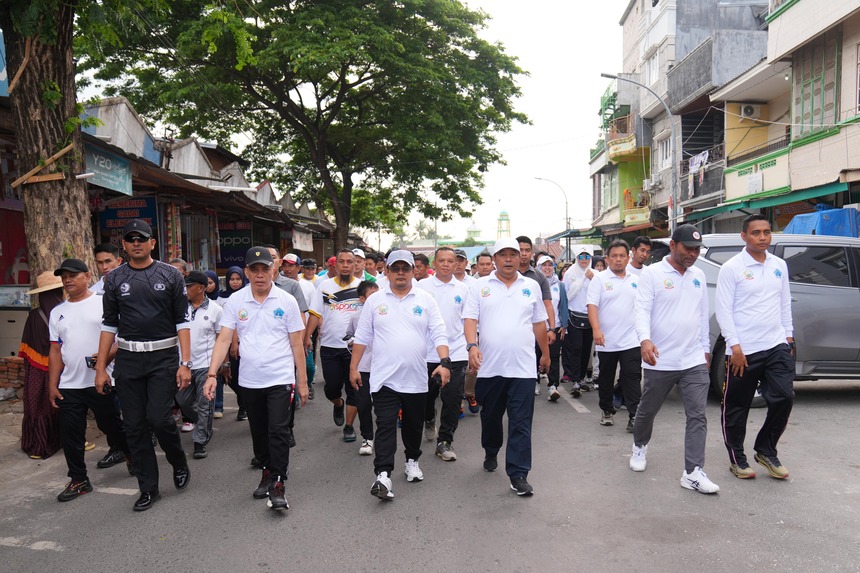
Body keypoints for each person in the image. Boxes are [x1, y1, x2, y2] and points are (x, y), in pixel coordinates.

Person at [95, 219, 192, 512]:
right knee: (135, 426)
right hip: (128, 359)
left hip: (163, 358)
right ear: (123, 245)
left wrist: (185, 363)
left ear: (152, 243)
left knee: (160, 419)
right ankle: (148, 488)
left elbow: (183, 322)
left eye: (142, 238)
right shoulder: (113, 279)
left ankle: (177, 460)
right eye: (130, 239)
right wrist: (101, 368)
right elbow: (109, 325)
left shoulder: (170, 275)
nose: (136, 243)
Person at [204, 246, 308, 511]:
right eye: (255, 270)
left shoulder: (286, 301)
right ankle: (266, 470)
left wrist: (303, 382)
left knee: (279, 430)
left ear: (273, 270)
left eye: (265, 269)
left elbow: (297, 344)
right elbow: (225, 338)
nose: (261, 275)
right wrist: (212, 373)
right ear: (247, 272)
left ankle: (278, 482)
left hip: (280, 379)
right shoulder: (236, 302)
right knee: (259, 432)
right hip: (250, 381)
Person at [350, 250, 450, 500]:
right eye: (396, 268)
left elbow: (439, 331)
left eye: (406, 268)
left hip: (416, 377)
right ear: (388, 271)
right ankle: (383, 475)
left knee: (412, 426)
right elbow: (362, 337)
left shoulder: (425, 299)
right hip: (384, 377)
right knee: (384, 424)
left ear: (413, 271)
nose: (401, 273)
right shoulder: (375, 301)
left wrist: (445, 361)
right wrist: (354, 367)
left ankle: (412, 460)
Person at [631, 225, 719, 494]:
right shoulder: (652, 274)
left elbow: (702, 314)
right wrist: (645, 340)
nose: (693, 254)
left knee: (697, 415)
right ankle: (640, 446)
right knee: (648, 410)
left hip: (692, 358)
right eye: (688, 249)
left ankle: (692, 472)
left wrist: (705, 348)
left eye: (697, 250)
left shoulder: (698, 275)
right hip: (661, 358)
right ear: (672, 245)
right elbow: (642, 310)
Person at [464, 238, 549, 497]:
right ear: (496, 259)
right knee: (491, 418)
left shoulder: (531, 286)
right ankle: (491, 450)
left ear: (523, 257)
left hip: (522, 368)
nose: (510, 259)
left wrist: (545, 354)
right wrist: (471, 346)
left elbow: (538, 324)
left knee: (521, 423)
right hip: (490, 368)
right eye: (504, 255)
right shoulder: (479, 286)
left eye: (514, 254)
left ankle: (518, 473)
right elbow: (470, 318)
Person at [716, 214, 794, 480]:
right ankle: (737, 458)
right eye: (756, 233)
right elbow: (723, 311)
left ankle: (766, 450)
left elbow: (784, 303)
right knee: (737, 406)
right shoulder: (732, 268)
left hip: (775, 344)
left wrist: (789, 337)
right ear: (744, 236)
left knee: (784, 397)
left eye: (767, 232)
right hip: (743, 350)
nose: (762, 237)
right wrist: (735, 347)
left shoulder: (779, 265)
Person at [48, 259, 133, 501]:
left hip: (100, 378)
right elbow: (55, 351)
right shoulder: (57, 312)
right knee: (71, 433)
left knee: (111, 426)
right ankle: (78, 479)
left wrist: (108, 357)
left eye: (73, 275)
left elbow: (122, 336)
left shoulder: (103, 302)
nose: (67, 280)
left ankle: (129, 453)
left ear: (87, 276)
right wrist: (52, 385)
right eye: (64, 276)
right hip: (69, 384)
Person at [416, 247, 469, 460]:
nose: (446, 264)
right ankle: (429, 418)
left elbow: (469, 322)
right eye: (442, 260)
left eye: (450, 261)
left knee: (453, 399)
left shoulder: (464, 289)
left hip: (456, 352)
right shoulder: (421, 287)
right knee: (426, 398)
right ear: (434, 263)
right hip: (426, 352)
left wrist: (473, 346)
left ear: (456, 263)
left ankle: (445, 441)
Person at [306, 249, 363, 442]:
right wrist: (307, 337)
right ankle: (338, 403)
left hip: (354, 347)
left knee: (354, 388)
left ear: (355, 265)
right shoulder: (324, 286)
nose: (346, 265)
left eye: (350, 262)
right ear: (335, 265)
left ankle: (349, 426)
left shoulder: (362, 287)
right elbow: (315, 313)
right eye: (342, 262)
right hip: (329, 346)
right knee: (331, 388)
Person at [586, 239, 642, 432]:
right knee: (606, 378)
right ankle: (607, 410)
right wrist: (596, 329)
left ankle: (635, 415)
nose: (618, 260)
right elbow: (592, 306)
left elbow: (644, 308)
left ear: (628, 258)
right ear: (607, 258)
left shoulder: (636, 280)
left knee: (632, 376)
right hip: (606, 340)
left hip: (631, 339)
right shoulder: (599, 279)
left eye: (622, 256)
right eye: (614, 256)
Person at [175, 271, 222, 460]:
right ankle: (204, 423)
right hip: (183, 365)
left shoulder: (216, 310)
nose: (185, 289)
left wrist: (220, 364)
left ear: (201, 288)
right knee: (182, 400)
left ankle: (200, 441)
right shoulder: (179, 307)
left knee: (204, 403)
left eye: (188, 286)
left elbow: (221, 339)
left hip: (206, 364)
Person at [19, 272, 65, 459]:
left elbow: (26, 347)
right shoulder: (64, 312)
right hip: (62, 367)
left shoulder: (34, 316)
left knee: (39, 405)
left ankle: (39, 444)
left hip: (37, 370)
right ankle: (70, 438)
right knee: (66, 405)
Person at [514, 236, 554, 396]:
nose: (523, 254)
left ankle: (533, 382)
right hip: (512, 333)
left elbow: (547, 303)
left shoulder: (538, 277)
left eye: (527, 250)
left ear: (531, 253)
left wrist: (551, 328)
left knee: (533, 359)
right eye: (520, 250)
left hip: (535, 329)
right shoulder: (501, 275)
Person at [344, 280, 380, 455]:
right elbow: (348, 338)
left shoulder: (388, 314)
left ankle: (382, 437)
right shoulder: (355, 317)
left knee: (382, 406)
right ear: (362, 299)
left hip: (383, 368)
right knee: (363, 404)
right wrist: (352, 343)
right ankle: (367, 438)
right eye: (372, 295)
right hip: (363, 367)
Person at [283, 253, 317, 399]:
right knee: (290, 367)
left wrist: (308, 335)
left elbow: (313, 310)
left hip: (304, 332)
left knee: (308, 365)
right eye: (284, 265)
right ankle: (294, 398)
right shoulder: (276, 286)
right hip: (285, 334)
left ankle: (307, 383)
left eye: (291, 265)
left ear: (299, 268)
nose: (287, 269)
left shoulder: (308, 286)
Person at [562, 248, 595, 397]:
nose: (584, 259)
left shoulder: (596, 274)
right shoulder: (569, 274)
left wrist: (592, 278)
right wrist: (581, 281)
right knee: (576, 348)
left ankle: (581, 378)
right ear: (577, 257)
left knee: (586, 350)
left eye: (587, 256)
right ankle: (575, 380)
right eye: (581, 256)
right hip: (573, 315)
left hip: (590, 316)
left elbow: (600, 293)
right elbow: (566, 295)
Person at [215, 266, 246, 419]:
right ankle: (244, 401)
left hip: (243, 342)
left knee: (243, 375)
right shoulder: (220, 298)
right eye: (232, 279)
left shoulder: (247, 295)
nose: (235, 282)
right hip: (225, 342)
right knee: (229, 376)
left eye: (238, 279)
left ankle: (243, 406)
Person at [536, 255, 568, 401]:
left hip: (553, 327)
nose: (547, 268)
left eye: (550, 265)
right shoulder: (533, 283)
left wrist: (563, 325)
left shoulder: (559, 285)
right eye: (544, 265)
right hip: (535, 327)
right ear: (538, 267)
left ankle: (552, 385)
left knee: (554, 356)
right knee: (535, 356)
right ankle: (534, 382)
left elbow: (563, 306)